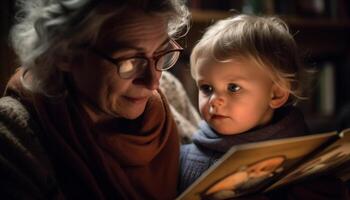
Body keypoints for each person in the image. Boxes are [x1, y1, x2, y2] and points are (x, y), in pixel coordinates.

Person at [0, 0, 190, 199]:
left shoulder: (169, 88)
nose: (152, 83)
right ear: (64, 54)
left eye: (161, 53)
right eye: (130, 61)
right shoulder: (12, 133)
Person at [178, 14, 350, 199]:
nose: (214, 100)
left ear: (276, 94)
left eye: (233, 87)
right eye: (207, 88)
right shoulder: (180, 156)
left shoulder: (306, 157)